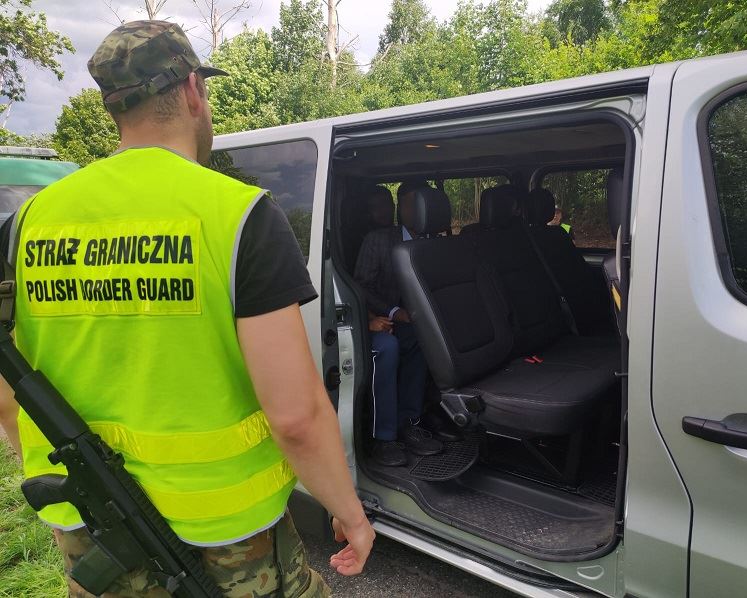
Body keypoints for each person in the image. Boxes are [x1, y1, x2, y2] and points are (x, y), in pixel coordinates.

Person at [0, 21, 373, 598]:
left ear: (113, 106)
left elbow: (9, 395)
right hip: (224, 536)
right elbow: (296, 416)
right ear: (195, 90)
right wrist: (349, 513)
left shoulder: (27, 222)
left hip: (91, 524)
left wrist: (66, 487)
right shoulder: (238, 215)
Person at [354, 181, 443, 466]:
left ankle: (410, 422)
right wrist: (392, 312)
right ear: (403, 207)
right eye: (413, 204)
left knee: (421, 338)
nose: (418, 210)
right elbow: (361, 287)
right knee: (388, 347)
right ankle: (383, 438)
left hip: (413, 323)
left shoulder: (434, 241)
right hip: (373, 320)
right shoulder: (378, 240)